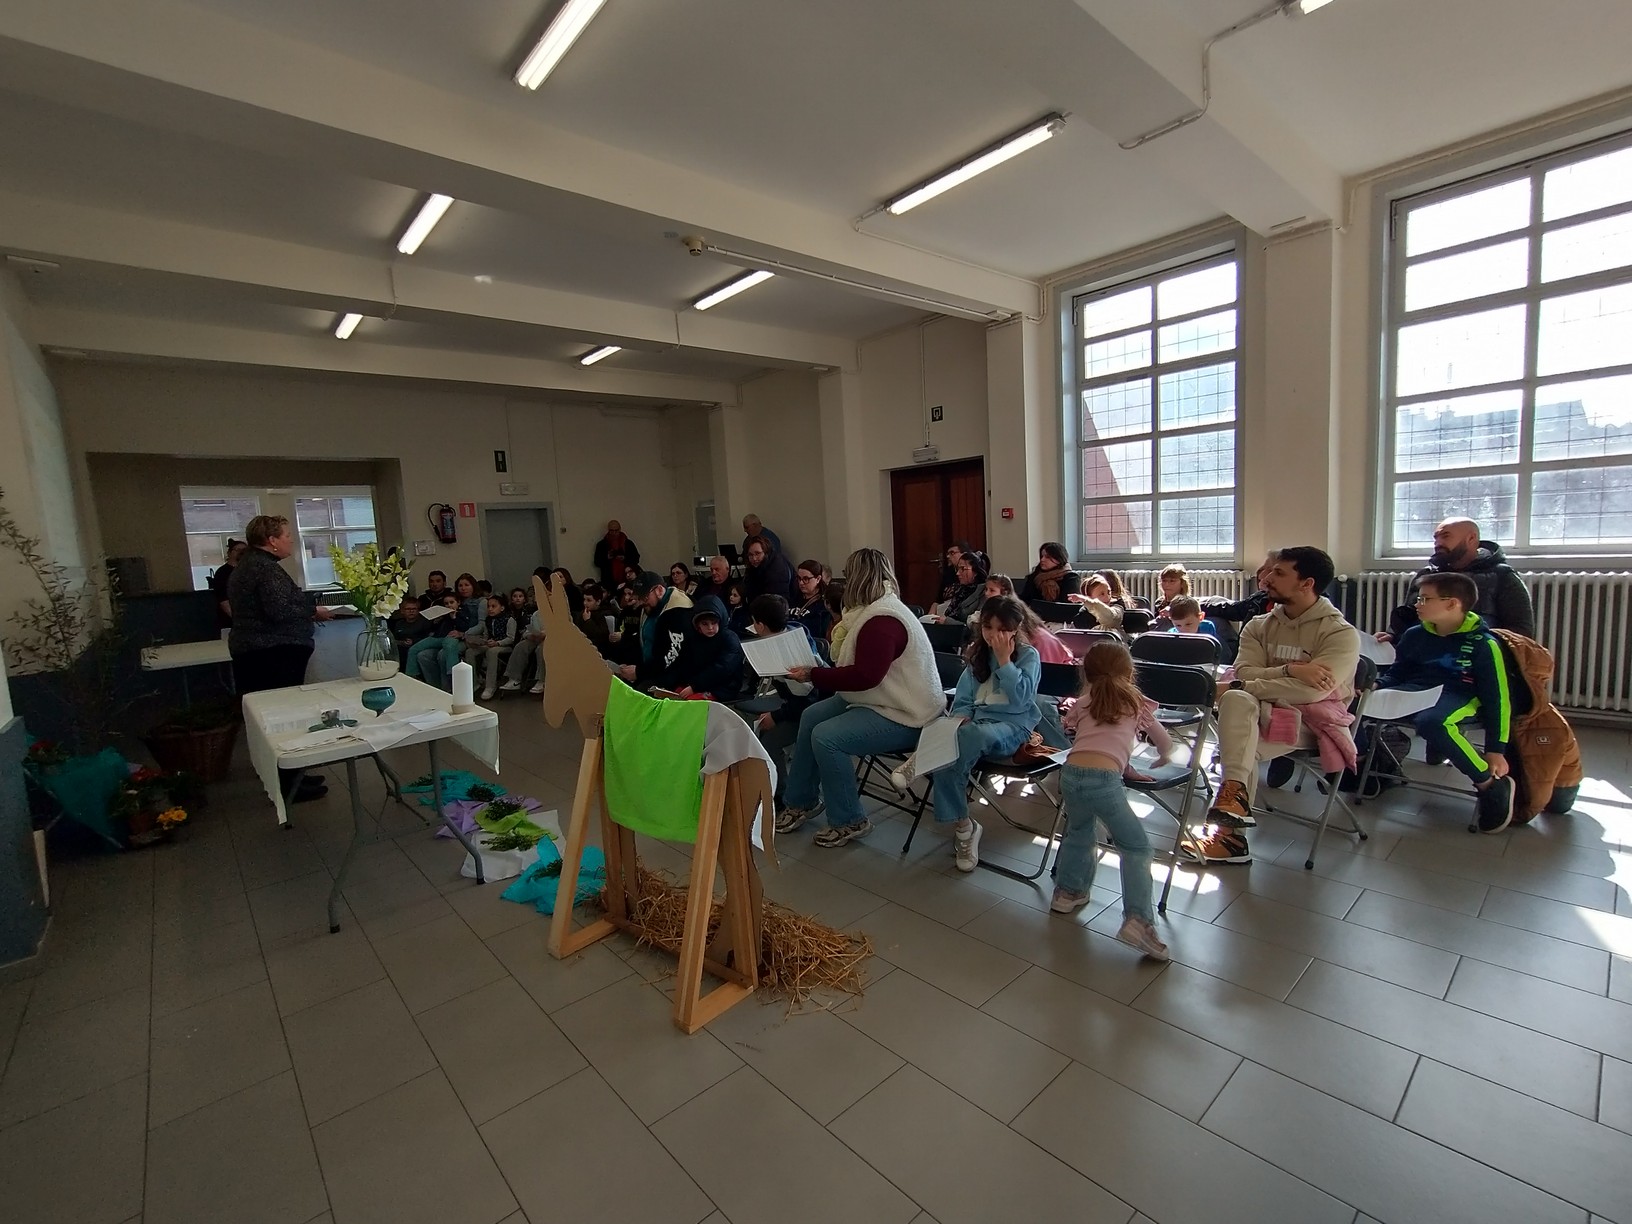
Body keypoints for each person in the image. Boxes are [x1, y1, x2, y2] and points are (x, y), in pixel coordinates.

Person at [1187, 547, 1361, 865]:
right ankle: (1233, 808)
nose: (1266, 579)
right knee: (1238, 706)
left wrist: (1246, 685)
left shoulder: (1340, 633)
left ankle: (1230, 839)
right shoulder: (1258, 625)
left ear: (1307, 583)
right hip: (1256, 714)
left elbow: (1311, 693)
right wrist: (1290, 670)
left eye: (1279, 573)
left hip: (1310, 723)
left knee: (1238, 723)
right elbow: (1244, 672)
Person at [775, 548, 943, 848]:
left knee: (827, 737)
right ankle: (801, 801)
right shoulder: (875, 611)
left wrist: (813, 674)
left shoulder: (884, 620)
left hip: (907, 713)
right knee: (811, 717)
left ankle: (849, 820)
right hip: (881, 699)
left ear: (858, 578)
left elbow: (866, 676)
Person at [893, 596, 1040, 873]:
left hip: (1012, 728)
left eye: (1002, 629)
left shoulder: (1028, 656)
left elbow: (1021, 700)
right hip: (975, 728)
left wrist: (1005, 662)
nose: (994, 635)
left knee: (962, 741)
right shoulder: (977, 655)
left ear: (1015, 628)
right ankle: (964, 827)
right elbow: (963, 699)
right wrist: (961, 716)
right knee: (947, 736)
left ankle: (923, 759)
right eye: (988, 627)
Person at [1052, 640, 1173, 960]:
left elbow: (1088, 738)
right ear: (1130, 673)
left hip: (1071, 775)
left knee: (1079, 832)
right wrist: (1164, 756)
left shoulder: (1083, 702)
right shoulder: (1135, 703)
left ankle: (1068, 892)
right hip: (1105, 782)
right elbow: (1164, 742)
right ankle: (1138, 921)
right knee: (1136, 847)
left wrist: (1121, 763)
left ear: (1086, 673)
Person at [1378, 571, 1516, 832]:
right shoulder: (1414, 634)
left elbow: (1497, 697)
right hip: (1414, 689)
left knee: (1432, 722)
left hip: (1458, 694)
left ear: (1452, 603)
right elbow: (1398, 672)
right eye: (1418, 598)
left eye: (1424, 599)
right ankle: (1369, 767)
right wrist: (1377, 685)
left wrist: (1496, 748)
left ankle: (1489, 783)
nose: (1417, 604)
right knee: (1352, 704)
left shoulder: (1484, 644)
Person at [228, 515, 336, 802]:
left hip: (260, 650)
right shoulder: (264, 569)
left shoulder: (250, 565)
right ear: (272, 540)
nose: (291, 540)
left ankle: (292, 774)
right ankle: (288, 783)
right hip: (272, 653)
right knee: (282, 717)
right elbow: (279, 610)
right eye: (287, 535)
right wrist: (313, 611)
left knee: (278, 715)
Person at [1382, 517, 1535, 642]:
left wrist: (1477, 644)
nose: (1438, 543)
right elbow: (1409, 617)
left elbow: (1521, 632)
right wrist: (1392, 636)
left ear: (1471, 538)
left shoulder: (1502, 576)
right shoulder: (1426, 575)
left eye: (1446, 536)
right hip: (1423, 656)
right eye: (1436, 538)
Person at [746, 594, 823, 801]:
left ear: (760, 625)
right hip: (794, 704)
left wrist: (776, 716)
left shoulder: (788, 655)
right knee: (752, 725)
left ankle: (782, 797)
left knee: (768, 741)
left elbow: (806, 700)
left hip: (807, 712)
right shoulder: (792, 633)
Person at [618, 571, 694, 690]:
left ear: (659, 590)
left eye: (645, 597)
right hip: (650, 672)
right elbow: (643, 639)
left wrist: (639, 672)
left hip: (671, 679)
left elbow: (671, 657)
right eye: (639, 598)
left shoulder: (679, 611)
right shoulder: (651, 608)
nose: (641, 602)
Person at [671, 595, 746, 701]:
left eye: (714, 623)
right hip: (698, 684)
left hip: (724, 687)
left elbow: (722, 668)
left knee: (689, 702)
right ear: (698, 625)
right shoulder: (694, 638)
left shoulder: (730, 638)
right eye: (705, 624)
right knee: (674, 695)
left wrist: (694, 686)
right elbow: (685, 664)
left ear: (720, 621)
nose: (710, 628)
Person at [501, 567, 553, 695]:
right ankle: (515, 679)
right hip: (537, 638)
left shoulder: (557, 612)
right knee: (521, 646)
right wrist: (529, 635)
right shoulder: (536, 614)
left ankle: (542, 680)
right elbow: (528, 628)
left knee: (542, 649)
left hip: (551, 640)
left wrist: (545, 634)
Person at [466, 593, 520, 701]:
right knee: (470, 652)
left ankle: (490, 686)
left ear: (502, 608)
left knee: (492, 652)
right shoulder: (488, 620)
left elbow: (511, 638)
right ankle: (474, 682)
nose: (490, 609)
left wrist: (498, 643)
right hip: (491, 644)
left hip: (506, 646)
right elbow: (486, 635)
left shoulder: (509, 619)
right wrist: (481, 641)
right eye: (488, 606)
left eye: (493, 606)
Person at [1018, 542, 1082, 606]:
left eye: (1047, 557)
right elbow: (1024, 601)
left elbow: (1068, 605)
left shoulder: (1071, 578)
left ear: (1059, 559)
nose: (1042, 559)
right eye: (1042, 556)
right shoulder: (1034, 577)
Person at [743, 535, 797, 604]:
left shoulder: (777, 569)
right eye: (750, 555)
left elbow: (777, 602)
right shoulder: (754, 567)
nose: (754, 558)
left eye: (757, 553)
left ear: (766, 552)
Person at [935, 552, 987, 623]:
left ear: (975, 572)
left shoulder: (983, 592)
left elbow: (974, 624)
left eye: (963, 569)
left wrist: (947, 621)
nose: (958, 573)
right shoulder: (961, 590)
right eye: (957, 569)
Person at [791, 560, 833, 646]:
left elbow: (815, 631)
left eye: (806, 579)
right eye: (799, 578)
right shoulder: (794, 597)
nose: (801, 583)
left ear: (818, 579)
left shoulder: (824, 604)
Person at [210, 538, 247, 631]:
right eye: (238, 550)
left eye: (245, 550)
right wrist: (238, 619)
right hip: (230, 622)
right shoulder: (222, 573)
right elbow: (223, 600)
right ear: (229, 553)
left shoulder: (247, 571)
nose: (242, 553)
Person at [593, 520, 640, 589]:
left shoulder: (628, 544)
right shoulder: (602, 545)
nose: (614, 533)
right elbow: (597, 562)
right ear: (608, 530)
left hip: (627, 579)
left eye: (616, 530)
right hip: (608, 581)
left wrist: (624, 558)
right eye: (611, 531)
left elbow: (636, 559)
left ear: (620, 529)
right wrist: (607, 557)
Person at [388, 596, 433, 664]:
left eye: (414, 609)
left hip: (418, 649)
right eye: (408, 609)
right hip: (401, 649)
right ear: (402, 611)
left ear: (418, 610)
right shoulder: (399, 623)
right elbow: (394, 639)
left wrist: (413, 641)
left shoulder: (425, 622)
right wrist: (401, 642)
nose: (411, 611)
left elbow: (429, 638)